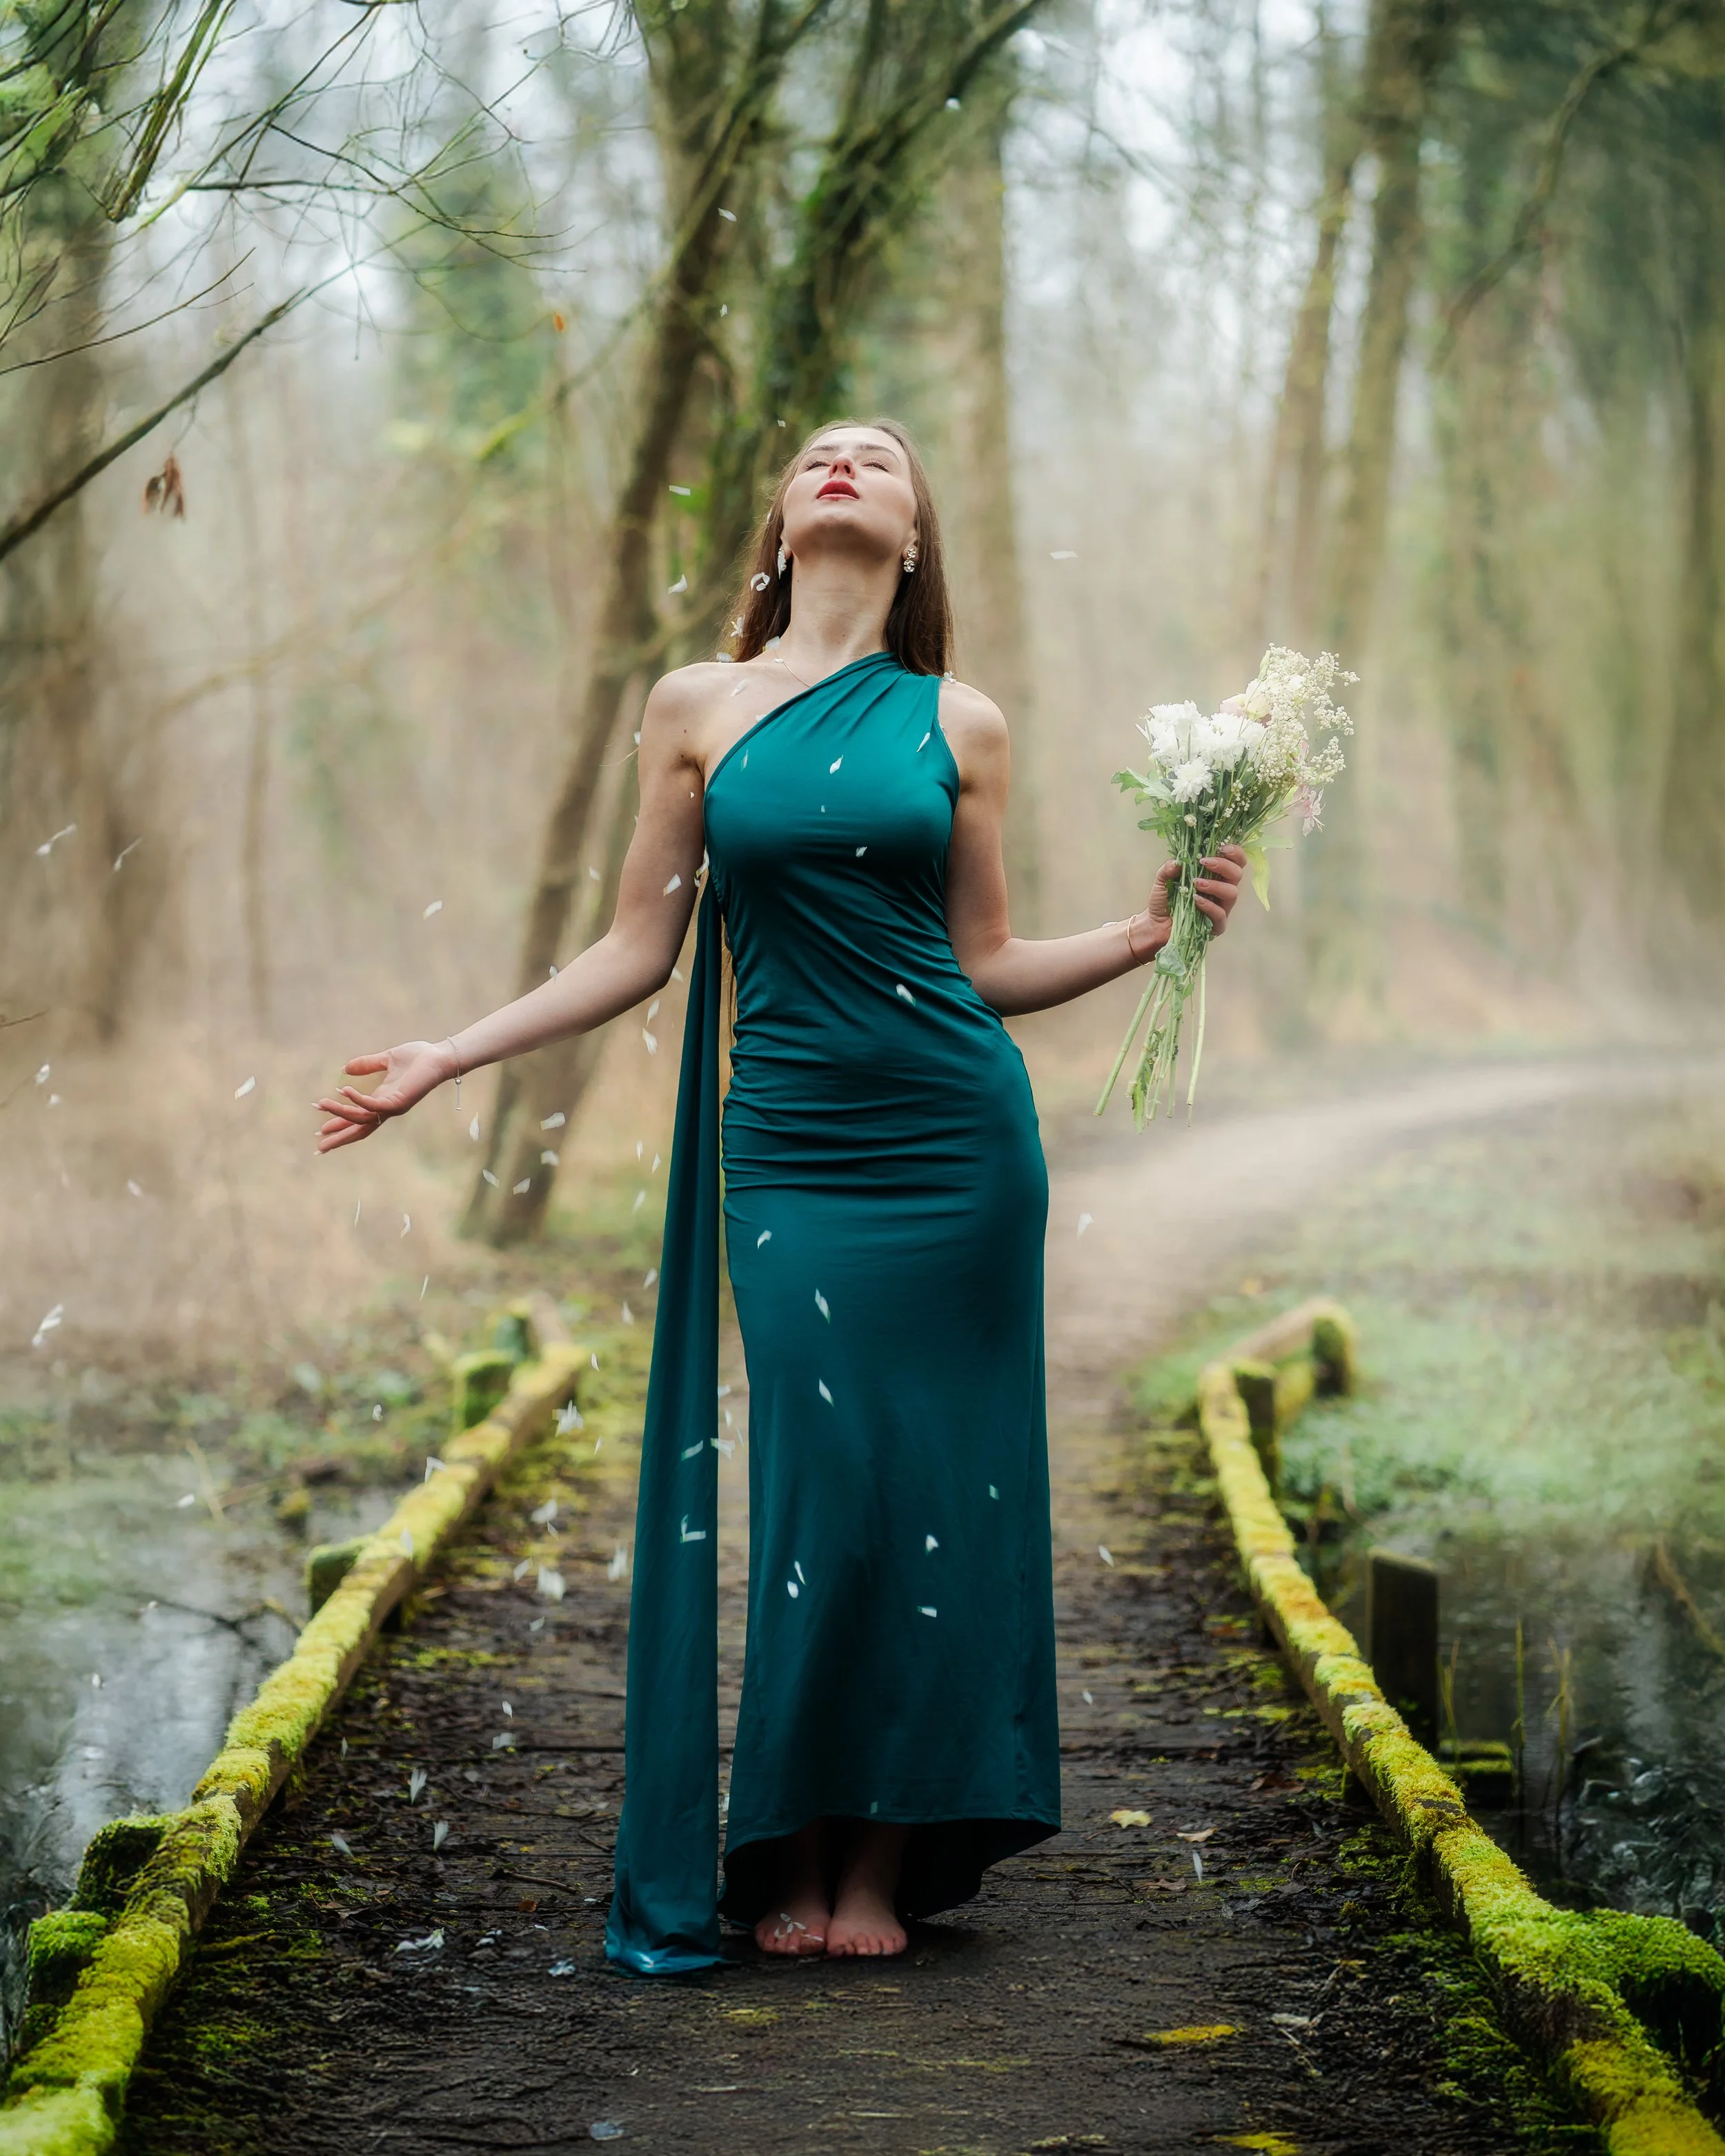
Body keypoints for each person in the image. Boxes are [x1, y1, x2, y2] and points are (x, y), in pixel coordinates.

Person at [316, 417, 1245, 1969]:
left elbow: (981, 965)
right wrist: (446, 1053)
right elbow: (635, 950)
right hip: (793, 1152)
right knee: (820, 1491)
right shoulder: (692, 706)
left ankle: (882, 1858)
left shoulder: (962, 720)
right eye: (819, 452)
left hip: (954, 1146)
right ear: (778, 517)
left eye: (876, 458)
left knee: (936, 1498)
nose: (842, 464)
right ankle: (791, 1843)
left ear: (910, 533)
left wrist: (1146, 934)